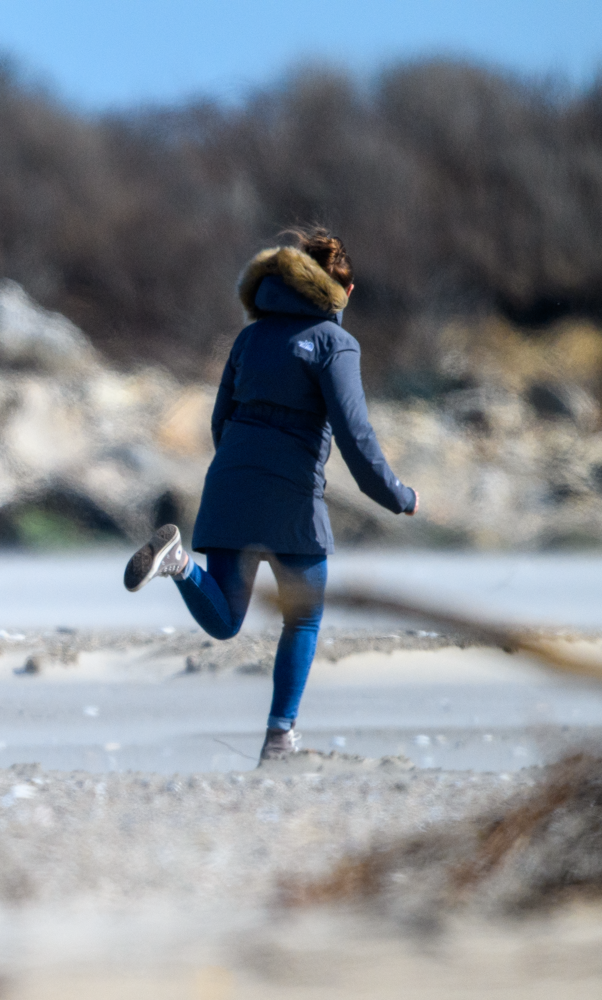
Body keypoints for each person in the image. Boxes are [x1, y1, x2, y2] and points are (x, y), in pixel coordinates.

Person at [123, 228, 418, 762]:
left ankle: (181, 564)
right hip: (292, 500)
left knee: (225, 620)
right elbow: (356, 437)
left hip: (230, 484)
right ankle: (280, 738)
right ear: (342, 294)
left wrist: (243, 472)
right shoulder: (335, 343)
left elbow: (220, 422)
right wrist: (397, 495)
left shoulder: (249, 339)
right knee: (302, 618)